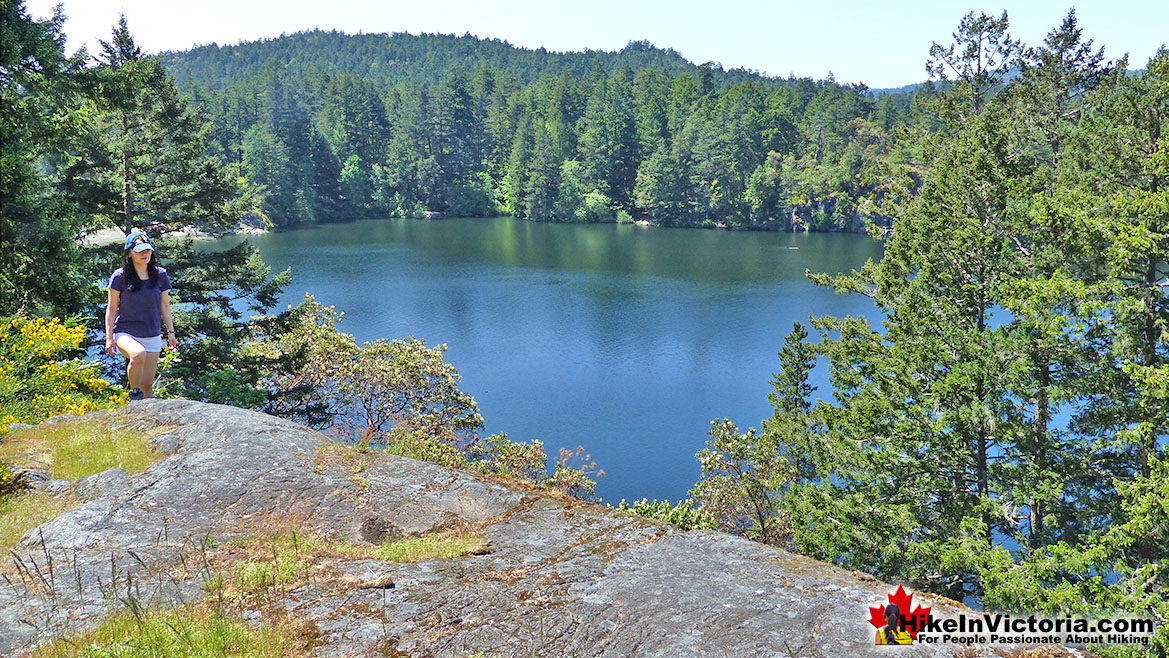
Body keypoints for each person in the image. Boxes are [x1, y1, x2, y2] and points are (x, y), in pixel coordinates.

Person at [104, 230, 177, 399]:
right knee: (137, 354)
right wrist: (109, 338)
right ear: (130, 253)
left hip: (152, 334)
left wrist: (170, 333)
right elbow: (112, 308)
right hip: (126, 332)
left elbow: (165, 305)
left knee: (147, 386)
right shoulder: (120, 277)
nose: (145, 254)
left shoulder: (160, 275)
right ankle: (133, 396)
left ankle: (145, 416)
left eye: (147, 250)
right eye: (139, 251)